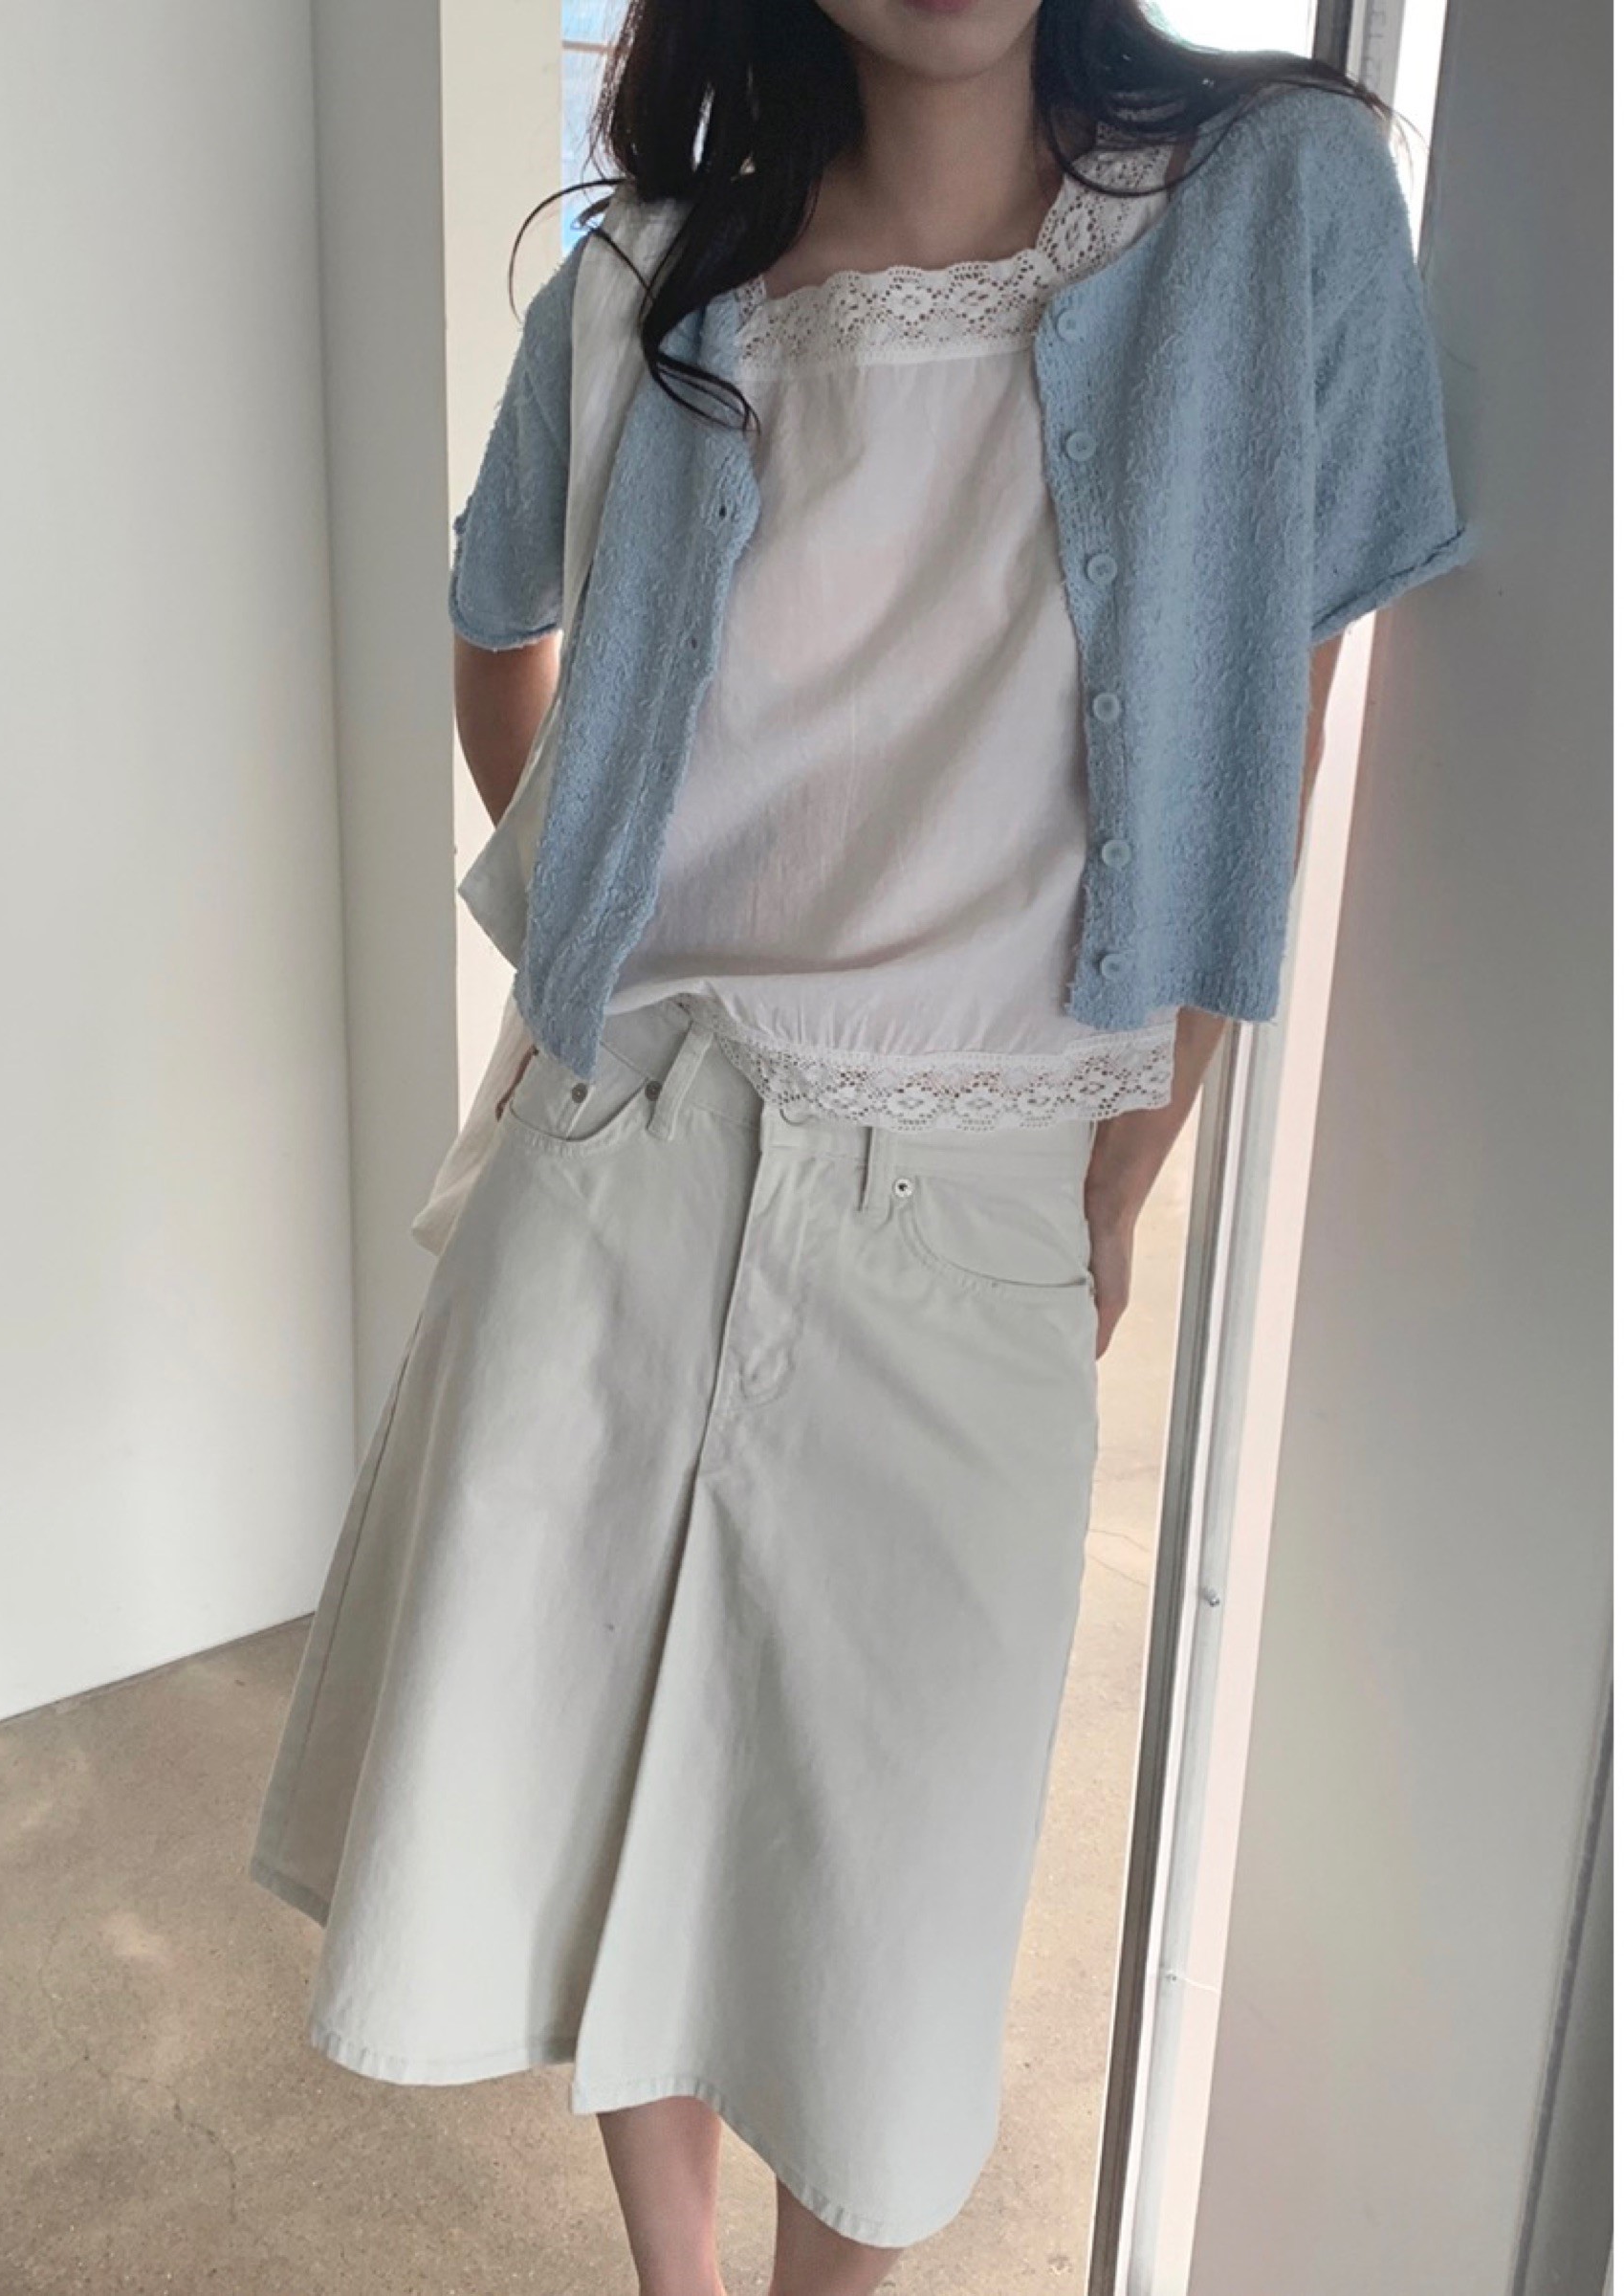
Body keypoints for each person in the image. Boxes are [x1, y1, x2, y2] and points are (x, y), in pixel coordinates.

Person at [249, 3, 1474, 2290]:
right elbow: (494, 622)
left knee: (881, 1926)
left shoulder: (1269, 213)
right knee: (608, 1801)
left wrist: (1136, 1147)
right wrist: (596, 901)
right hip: (611, 1164)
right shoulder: (645, 287)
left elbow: (1279, 704)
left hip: (971, 1195)